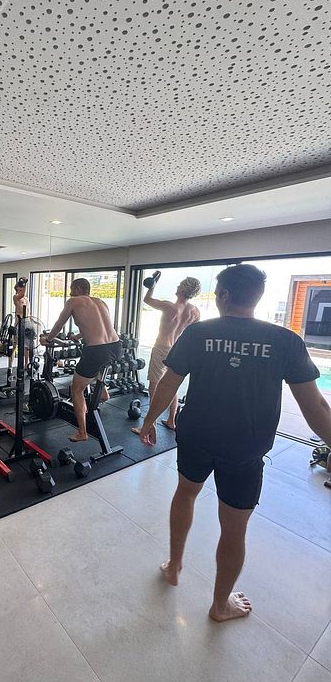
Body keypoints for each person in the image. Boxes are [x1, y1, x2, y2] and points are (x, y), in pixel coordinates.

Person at [138, 264, 331, 622]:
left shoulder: (199, 333)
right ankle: (219, 605)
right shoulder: (285, 340)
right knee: (234, 527)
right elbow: (316, 406)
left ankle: (175, 566)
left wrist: (149, 422)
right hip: (245, 449)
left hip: (196, 437)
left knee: (186, 493)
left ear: (225, 294)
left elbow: (168, 384)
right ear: (256, 296)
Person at [40, 278, 122, 442]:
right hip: (115, 346)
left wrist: (48, 339)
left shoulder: (73, 301)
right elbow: (99, 327)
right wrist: (77, 336)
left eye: (71, 288)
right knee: (97, 367)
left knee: (76, 388)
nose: (69, 292)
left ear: (77, 289)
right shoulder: (100, 301)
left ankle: (82, 432)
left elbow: (59, 324)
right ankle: (103, 394)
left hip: (97, 350)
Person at [133, 273, 201, 434]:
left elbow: (146, 300)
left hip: (162, 347)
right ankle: (171, 420)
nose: (177, 287)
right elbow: (195, 332)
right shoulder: (195, 311)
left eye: (180, 285)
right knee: (172, 384)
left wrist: (152, 286)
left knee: (154, 385)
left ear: (183, 289)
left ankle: (150, 425)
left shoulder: (169, 306)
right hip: (177, 349)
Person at [13, 276, 34, 368]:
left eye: (22, 287)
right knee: (15, 345)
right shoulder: (16, 297)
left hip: (28, 322)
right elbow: (22, 293)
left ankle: (27, 365)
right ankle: (10, 366)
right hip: (19, 323)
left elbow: (29, 311)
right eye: (20, 288)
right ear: (17, 289)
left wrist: (33, 322)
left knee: (28, 346)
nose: (21, 289)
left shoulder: (26, 299)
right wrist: (24, 282)